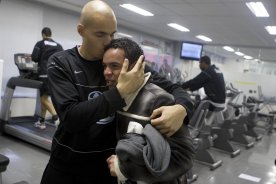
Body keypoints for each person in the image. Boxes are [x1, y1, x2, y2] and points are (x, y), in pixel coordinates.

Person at [41, 1, 194, 183]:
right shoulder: (61, 62)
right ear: (81, 31)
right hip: (67, 165)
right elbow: (72, 118)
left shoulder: (125, 64)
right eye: (100, 34)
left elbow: (175, 88)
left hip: (107, 166)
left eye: (112, 34)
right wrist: (121, 92)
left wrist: (182, 109)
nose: (108, 41)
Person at [104, 37, 194, 184]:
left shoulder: (159, 101)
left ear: (136, 67)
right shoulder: (114, 95)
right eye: (105, 66)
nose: (106, 72)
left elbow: (184, 159)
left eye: (114, 66)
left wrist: (124, 170)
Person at [31, 27, 63, 129]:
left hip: (44, 74)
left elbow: (34, 58)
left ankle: (56, 118)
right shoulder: (58, 46)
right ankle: (42, 121)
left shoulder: (40, 44)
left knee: (44, 99)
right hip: (56, 76)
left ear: (43, 34)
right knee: (44, 97)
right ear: (50, 34)